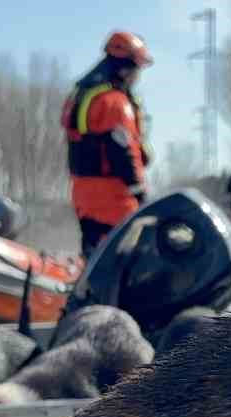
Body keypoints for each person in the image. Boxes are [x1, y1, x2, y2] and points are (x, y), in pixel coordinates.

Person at [62, 31, 153, 259]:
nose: (137, 77)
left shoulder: (83, 95)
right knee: (125, 259)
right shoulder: (114, 103)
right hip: (114, 196)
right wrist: (139, 191)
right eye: (136, 69)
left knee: (94, 255)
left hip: (83, 191)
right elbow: (122, 149)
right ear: (125, 67)